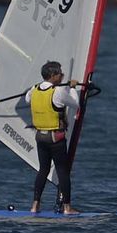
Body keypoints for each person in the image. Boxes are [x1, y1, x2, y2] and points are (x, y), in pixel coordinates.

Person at [18, 61, 82, 215]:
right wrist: (72, 87)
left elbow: (28, 99)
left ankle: (35, 205)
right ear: (53, 76)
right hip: (56, 138)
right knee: (62, 171)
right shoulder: (57, 92)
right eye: (60, 73)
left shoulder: (33, 90)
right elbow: (75, 104)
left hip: (40, 137)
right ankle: (67, 207)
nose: (62, 76)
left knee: (43, 170)